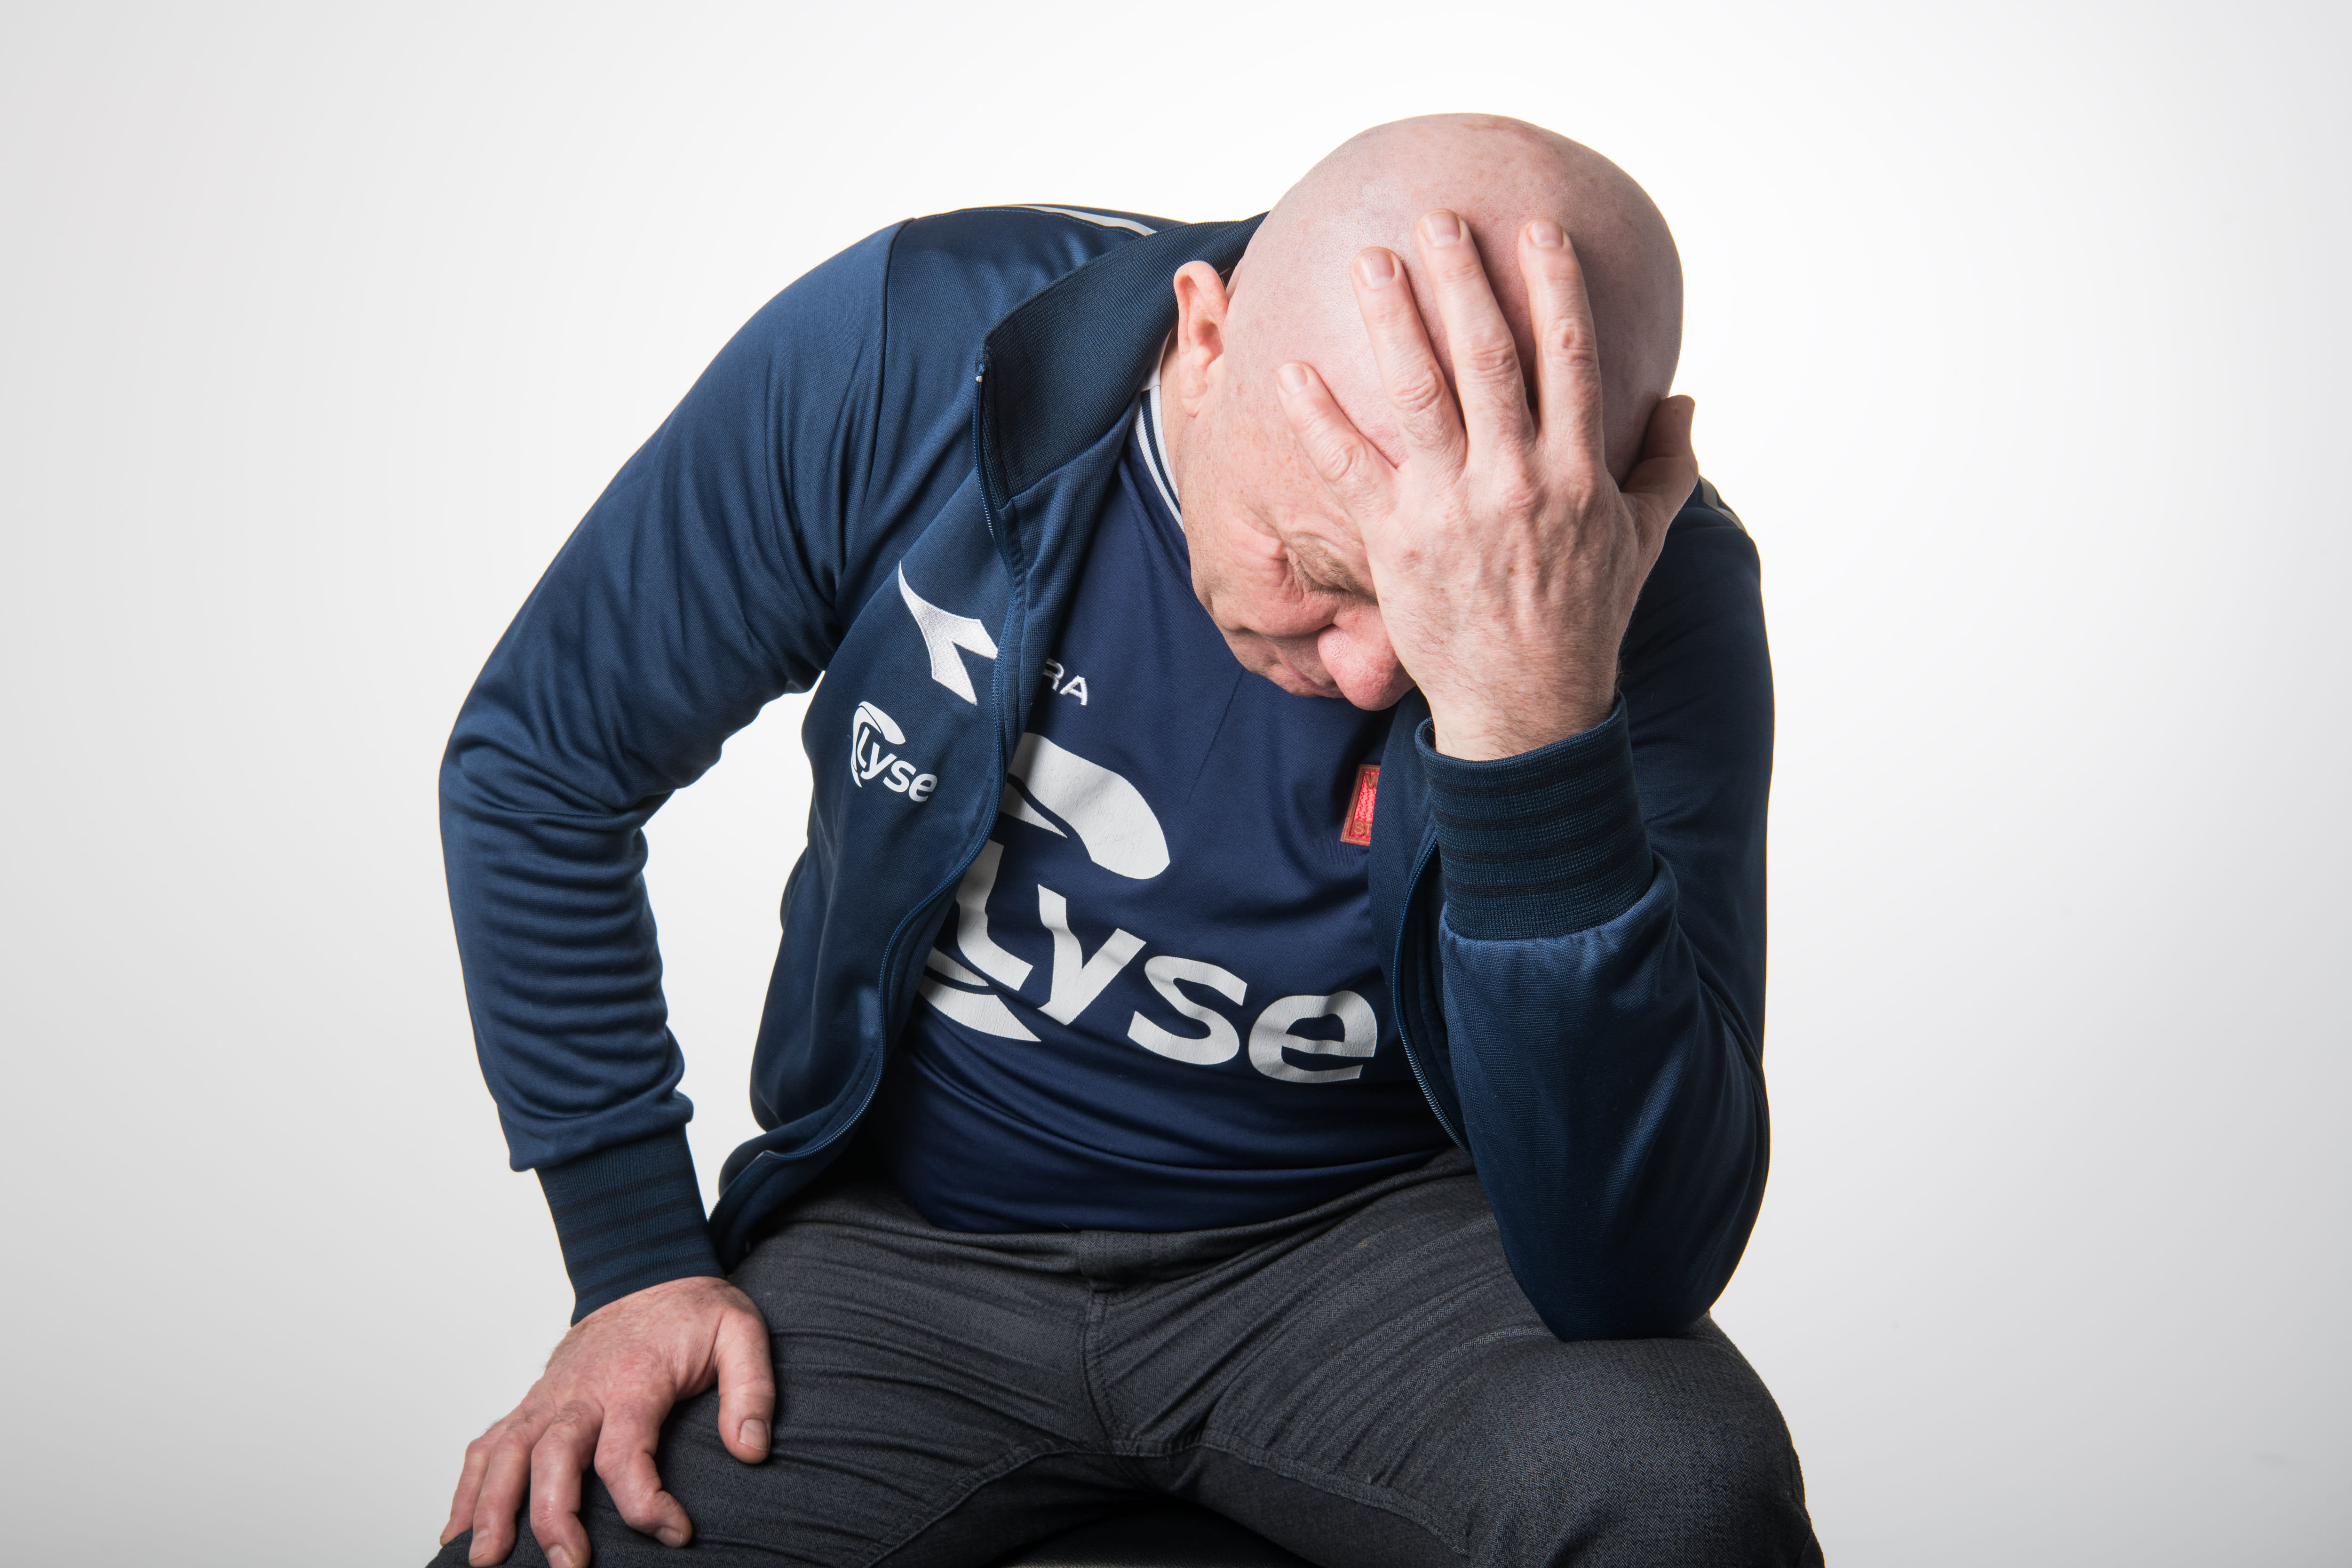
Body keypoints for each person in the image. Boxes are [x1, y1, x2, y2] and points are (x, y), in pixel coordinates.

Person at [431, 113, 1818, 1568]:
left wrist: (1530, 706)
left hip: (1376, 1257)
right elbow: (545, 761)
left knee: (1683, 1501)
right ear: (1203, 341)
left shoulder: (1647, 593)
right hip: (907, 1246)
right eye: (1325, 571)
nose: (1371, 676)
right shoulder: (917, 352)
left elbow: (1628, 1269)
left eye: (1430, 610)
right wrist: (635, 1261)